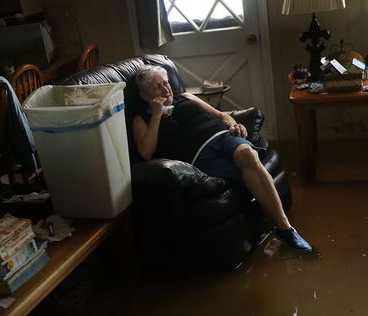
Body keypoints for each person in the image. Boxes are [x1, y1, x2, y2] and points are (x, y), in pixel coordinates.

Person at [132, 65, 311, 251]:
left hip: (224, 136)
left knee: (248, 155)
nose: (166, 89)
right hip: (200, 156)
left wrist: (234, 124)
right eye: (157, 87)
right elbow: (146, 152)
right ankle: (275, 226)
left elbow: (220, 115)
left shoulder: (186, 97)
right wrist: (157, 114)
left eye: (166, 83)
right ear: (145, 96)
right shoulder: (142, 119)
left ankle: (286, 228)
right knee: (245, 175)